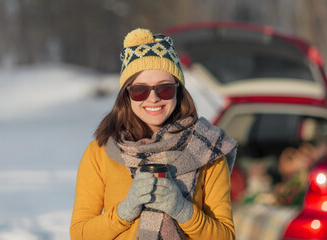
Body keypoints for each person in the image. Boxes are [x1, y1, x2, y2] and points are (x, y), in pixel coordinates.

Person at [70, 28, 237, 240]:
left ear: (178, 90)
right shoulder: (100, 152)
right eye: (140, 90)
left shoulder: (208, 149)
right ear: (126, 95)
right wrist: (124, 212)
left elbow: (225, 236)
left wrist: (183, 211)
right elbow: (79, 234)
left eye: (164, 89)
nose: (153, 99)